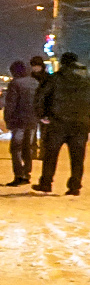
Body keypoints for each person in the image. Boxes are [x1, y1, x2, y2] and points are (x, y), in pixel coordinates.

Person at [35, 52, 90, 196]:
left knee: (50, 155)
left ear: (63, 63)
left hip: (57, 122)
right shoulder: (87, 81)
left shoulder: (55, 79)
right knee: (78, 157)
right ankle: (75, 186)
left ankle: (46, 183)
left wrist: (42, 115)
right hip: (80, 123)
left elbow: (41, 96)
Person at [0, 60, 39, 186]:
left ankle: (19, 175)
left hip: (19, 121)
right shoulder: (35, 83)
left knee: (16, 148)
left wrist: (8, 119)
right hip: (33, 120)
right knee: (28, 148)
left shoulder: (15, 84)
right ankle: (27, 173)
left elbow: (11, 104)